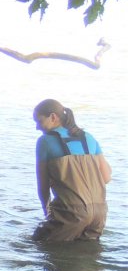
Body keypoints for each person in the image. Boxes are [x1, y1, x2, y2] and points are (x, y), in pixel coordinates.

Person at [31, 99, 112, 241]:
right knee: (88, 256)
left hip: (71, 212)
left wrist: (47, 212)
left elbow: (43, 186)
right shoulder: (89, 138)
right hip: (99, 213)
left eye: (39, 121)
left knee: (38, 244)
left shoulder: (45, 141)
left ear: (53, 117)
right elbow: (106, 177)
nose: (37, 127)